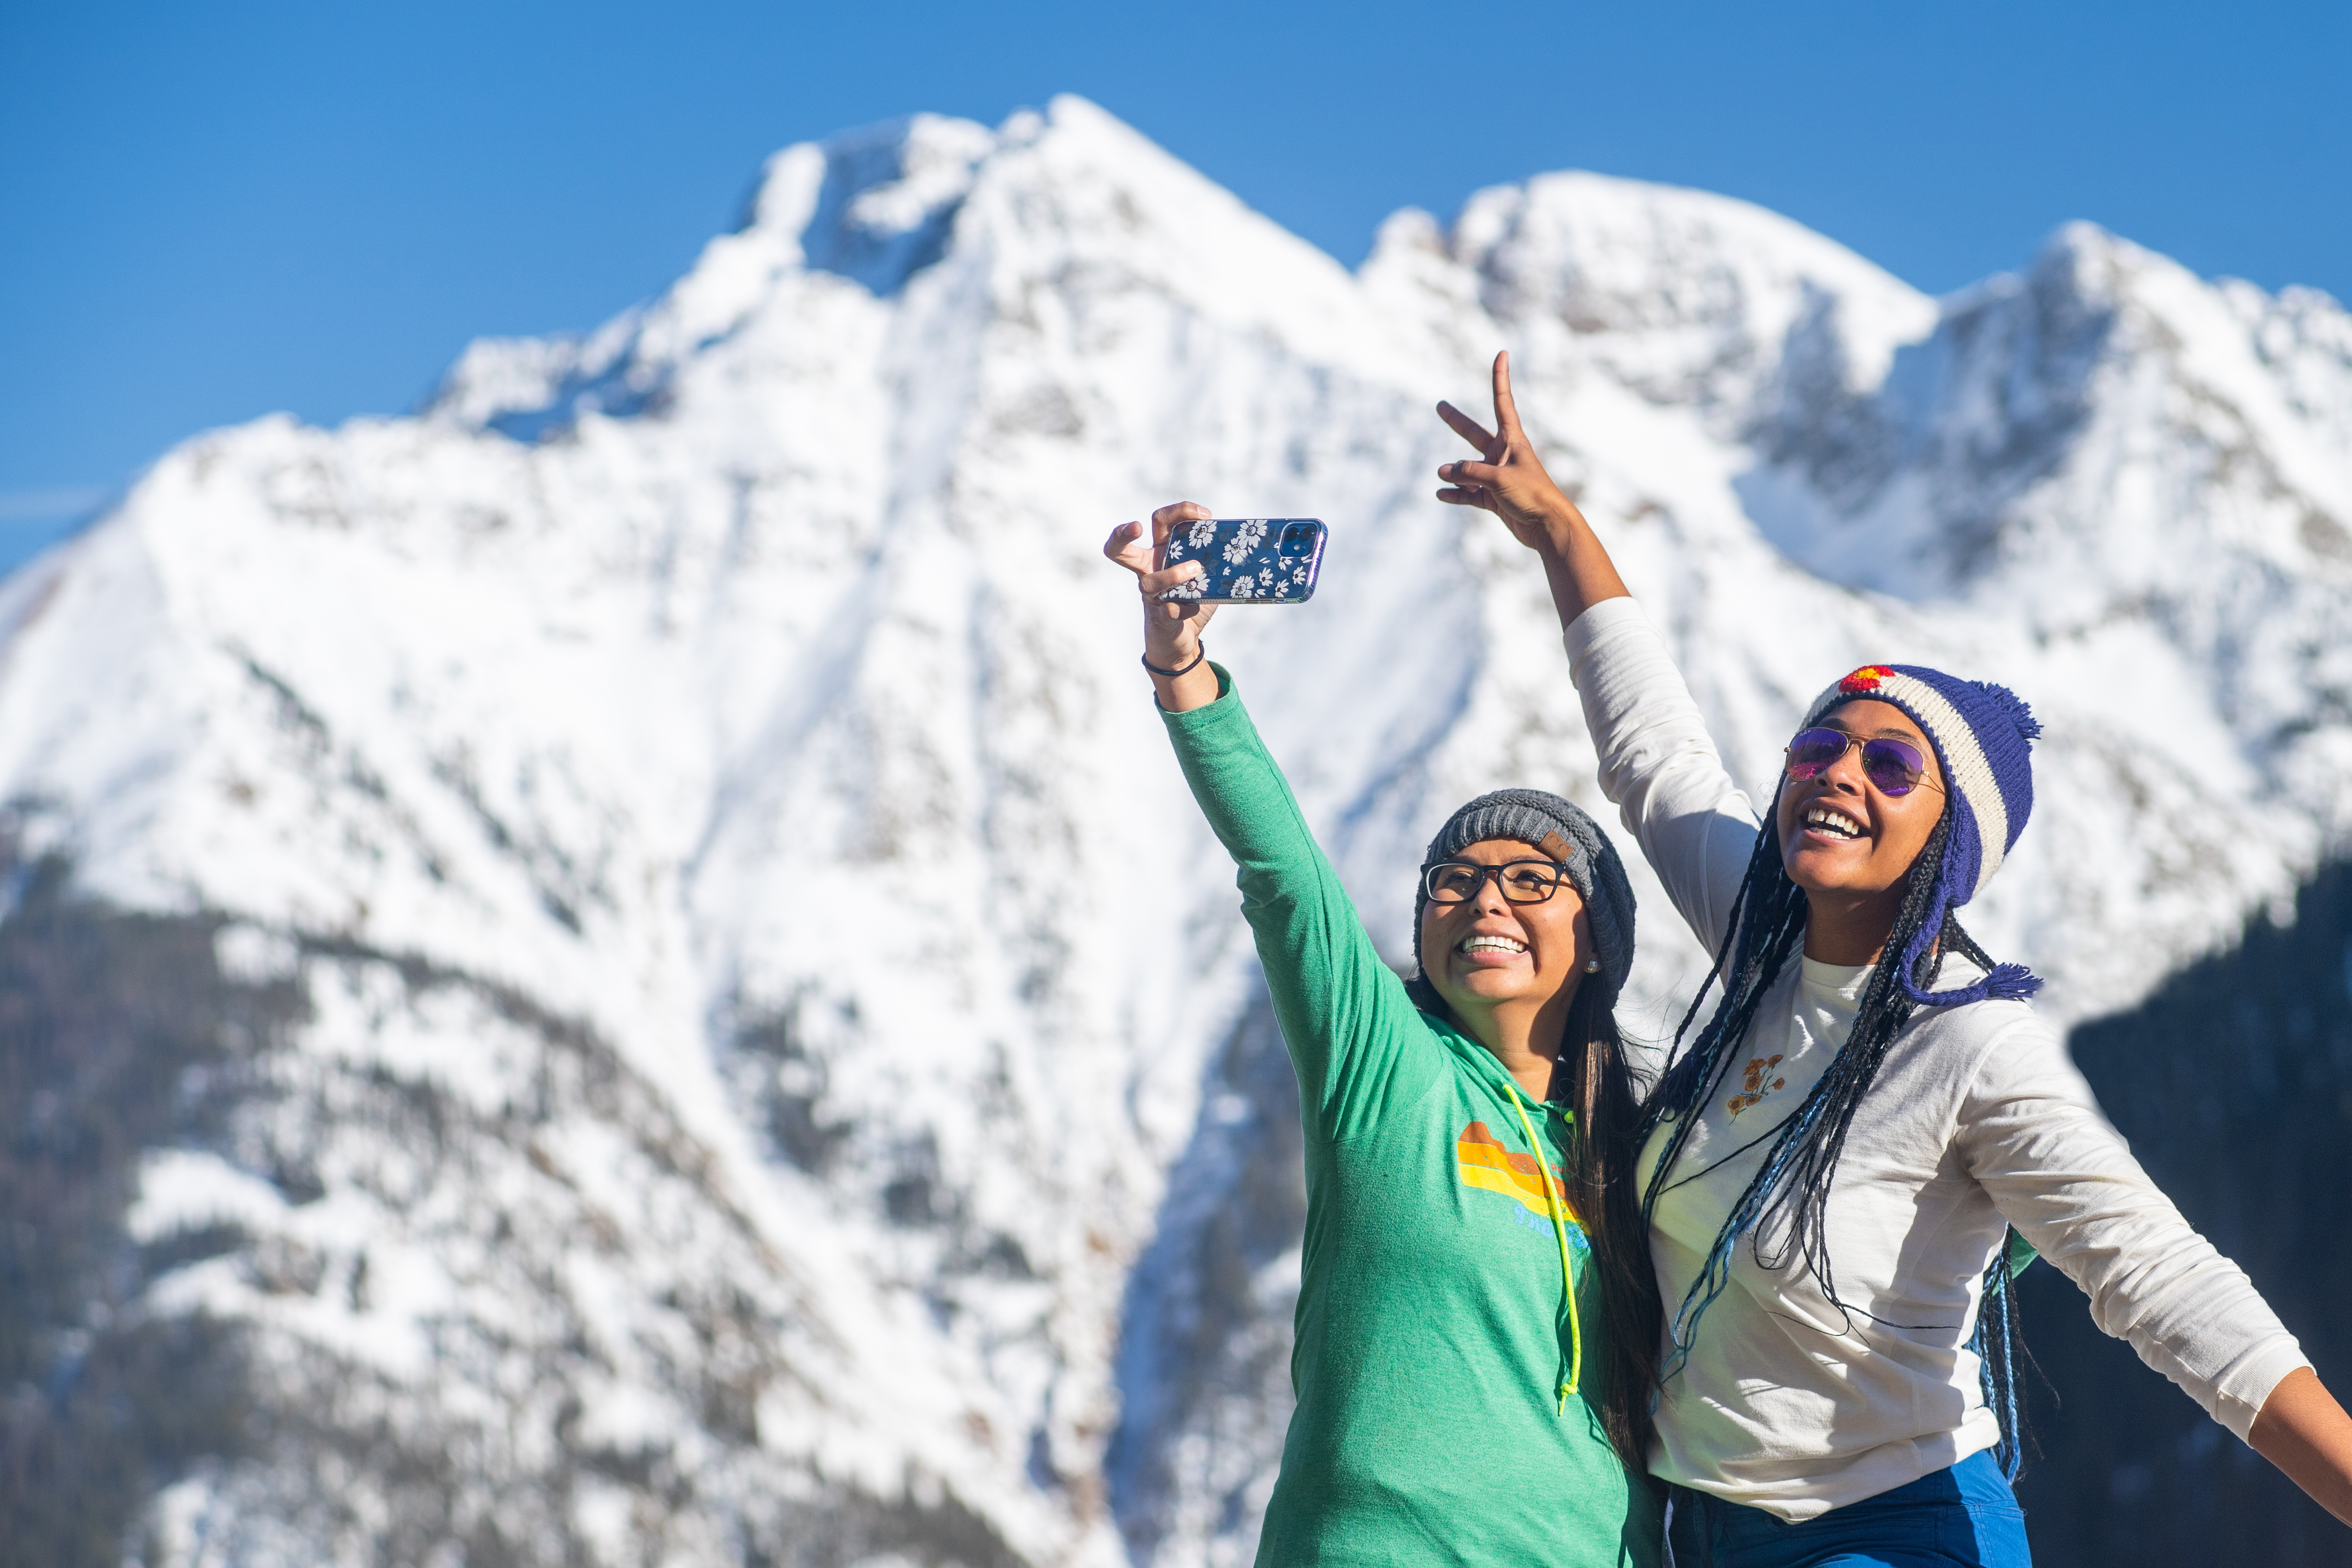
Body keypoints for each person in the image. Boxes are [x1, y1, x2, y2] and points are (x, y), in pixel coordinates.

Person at [1431, 350, 2352, 1567]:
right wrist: (1557, 531)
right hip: (1695, 1532)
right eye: (1822, 745)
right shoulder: (1761, 935)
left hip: (1889, 1532)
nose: (1839, 778)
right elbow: (1651, 751)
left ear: (1944, 845)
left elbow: (2164, 1283)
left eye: (1892, 767)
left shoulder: (1966, 1047)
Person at [1105, 503, 1665, 1566]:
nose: (1484, 901)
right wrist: (1181, 666)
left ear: (1595, 939)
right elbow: (1283, 872)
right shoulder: (1383, 1066)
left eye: (1529, 880)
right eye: (1453, 882)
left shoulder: (1642, 1152)